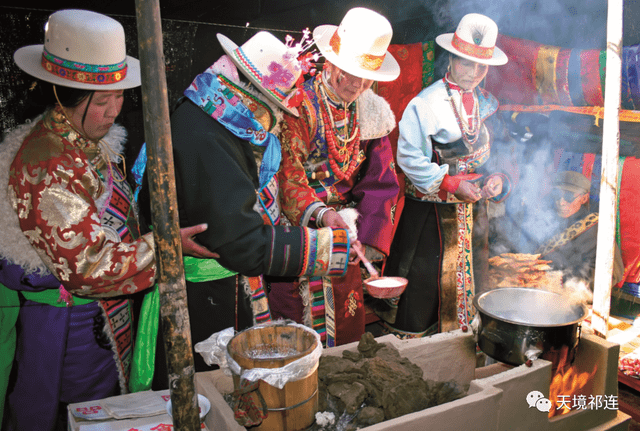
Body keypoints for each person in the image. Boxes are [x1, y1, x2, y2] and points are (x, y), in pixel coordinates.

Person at [0, 10, 214, 430]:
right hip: (72, 325)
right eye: (102, 101)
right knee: (81, 413)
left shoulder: (87, 139)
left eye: (119, 97)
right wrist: (164, 245)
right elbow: (89, 266)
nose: (114, 111)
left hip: (104, 311)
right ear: (63, 94)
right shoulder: (48, 164)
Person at [140, 30, 355, 391]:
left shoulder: (209, 112)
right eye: (275, 110)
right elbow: (240, 242)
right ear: (253, 98)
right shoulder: (208, 136)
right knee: (212, 391)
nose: (274, 120)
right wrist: (327, 248)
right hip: (207, 295)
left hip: (219, 283)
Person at [271, 7, 401, 347]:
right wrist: (324, 215)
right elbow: (288, 177)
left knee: (346, 329)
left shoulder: (371, 112)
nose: (357, 84)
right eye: (349, 72)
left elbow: (382, 180)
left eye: (366, 77)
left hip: (347, 232)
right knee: (295, 334)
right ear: (329, 62)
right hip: (298, 231)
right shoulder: (299, 105)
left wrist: (368, 238)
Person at [382, 13, 511, 338]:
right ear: (451, 58)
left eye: (481, 67)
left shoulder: (489, 106)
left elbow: (503, 156)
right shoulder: (425, 104)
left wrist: (497, 179)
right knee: (427, 289)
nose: (474, 73)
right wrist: (451, 184)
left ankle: (465, 352)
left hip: (473, 216)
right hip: (432, 220)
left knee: (473, 280)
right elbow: (409, 158)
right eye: (467, 64)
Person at [536, 170, 623, 301]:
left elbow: (613, 273)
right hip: (539, 293)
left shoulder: (596, 228)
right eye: (556, 195)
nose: (561, 202)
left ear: (584, 198)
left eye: (569, 196)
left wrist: (564, 281)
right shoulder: (545, 219)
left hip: (574, 300)